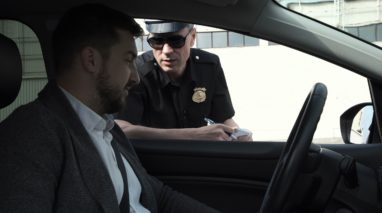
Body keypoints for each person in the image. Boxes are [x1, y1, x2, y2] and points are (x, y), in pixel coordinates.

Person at [0, 4, 220, 213]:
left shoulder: (107, 128)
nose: (136, 78)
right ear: (91, 60)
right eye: (127, 60)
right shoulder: (30, 134)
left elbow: (157, 195)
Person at [115, 20, 252, 141]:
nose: (167, 50)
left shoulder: (209, 66)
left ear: (192, 37)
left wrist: (238, 134)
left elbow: (223, 118)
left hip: (199, 156)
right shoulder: (138, 71)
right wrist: (194, 135)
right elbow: (121, 129)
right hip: (154, 159)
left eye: (176, 41)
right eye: (158, 41)